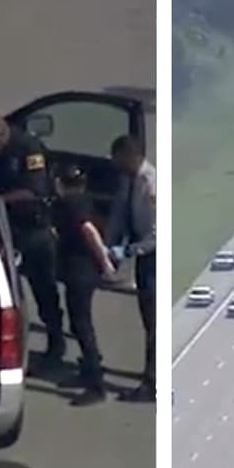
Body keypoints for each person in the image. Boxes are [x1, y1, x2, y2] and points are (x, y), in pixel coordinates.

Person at [0, 113, 66, 367]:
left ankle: (56, 343)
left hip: (33, 229)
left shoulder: (28, 148)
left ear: (3, 134)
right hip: (4, 229)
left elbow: (35, 189)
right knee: (3, 291)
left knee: (44, 289)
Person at [53, 165, 118, 404]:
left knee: (81, 325)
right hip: (81, 270)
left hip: (80, 270)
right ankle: (88, 369)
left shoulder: (71, 204)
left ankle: (96, 385)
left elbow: (88, 230)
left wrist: (105, 262)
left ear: (60, 183)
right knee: (79, 323)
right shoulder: (84, 200)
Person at [105, 134, 156, 402]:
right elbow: (120, 216)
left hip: (153, 257)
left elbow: (157, 235)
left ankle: (152, 383)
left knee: (155, 324)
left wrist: (128, 251)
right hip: (143, 257)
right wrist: (109, 247)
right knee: (149, 320)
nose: (114, 164)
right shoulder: (129, 180)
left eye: (117, 159)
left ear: (129, 156)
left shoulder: (150, 184)